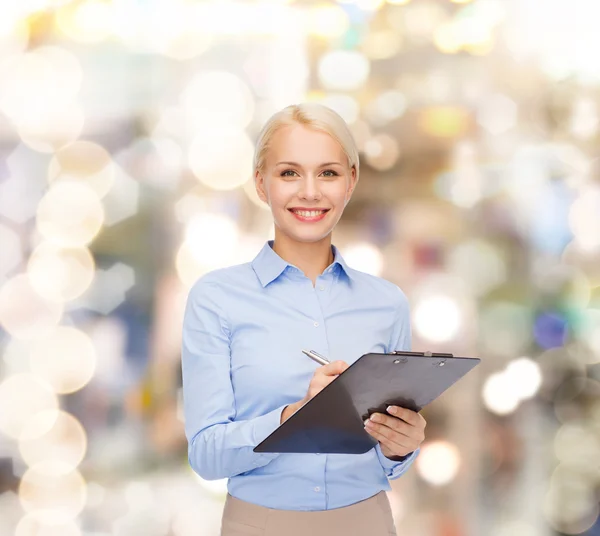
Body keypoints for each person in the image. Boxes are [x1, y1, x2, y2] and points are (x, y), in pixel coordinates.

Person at [181, 103, 426, 536]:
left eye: (328, 173)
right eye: (289, 173)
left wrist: (400, 448)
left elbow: (391, 463)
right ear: (261, 183)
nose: (310, 192)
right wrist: (296, 417)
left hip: (368, 520)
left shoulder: (387, 303)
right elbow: (206, 455)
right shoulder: (216, 299)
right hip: (258, 524)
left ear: (351, 181)